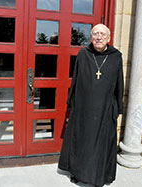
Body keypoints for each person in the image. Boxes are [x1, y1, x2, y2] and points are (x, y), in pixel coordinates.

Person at [58, 24, 124, 187]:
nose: (99, 37)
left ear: (108, 38)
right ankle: (77, 172)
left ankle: (98, 176)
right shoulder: (83, 54)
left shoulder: (116, 56)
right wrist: (71, 102)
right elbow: (76, 79)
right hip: (83, 108)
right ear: (91, 37)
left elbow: (119, 83)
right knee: (81, 141)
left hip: (104, 109)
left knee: (100, 145)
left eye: (102, 34)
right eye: (95, 34)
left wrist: (118, 107)